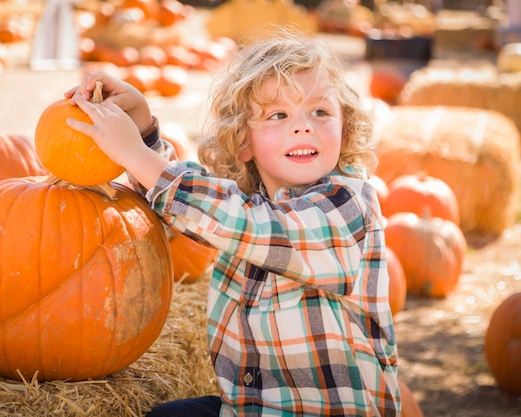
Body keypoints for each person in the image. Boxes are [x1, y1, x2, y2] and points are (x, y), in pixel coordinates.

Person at [64, 31, 401, 416]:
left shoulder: (348, 206)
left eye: (320, 112)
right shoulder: (246, 206)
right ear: (243, 142)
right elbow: (193, 214)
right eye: (279, 115)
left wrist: (133, 153)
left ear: (344, 127)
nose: (303, 126)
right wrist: (142, 126)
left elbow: (248, 224)